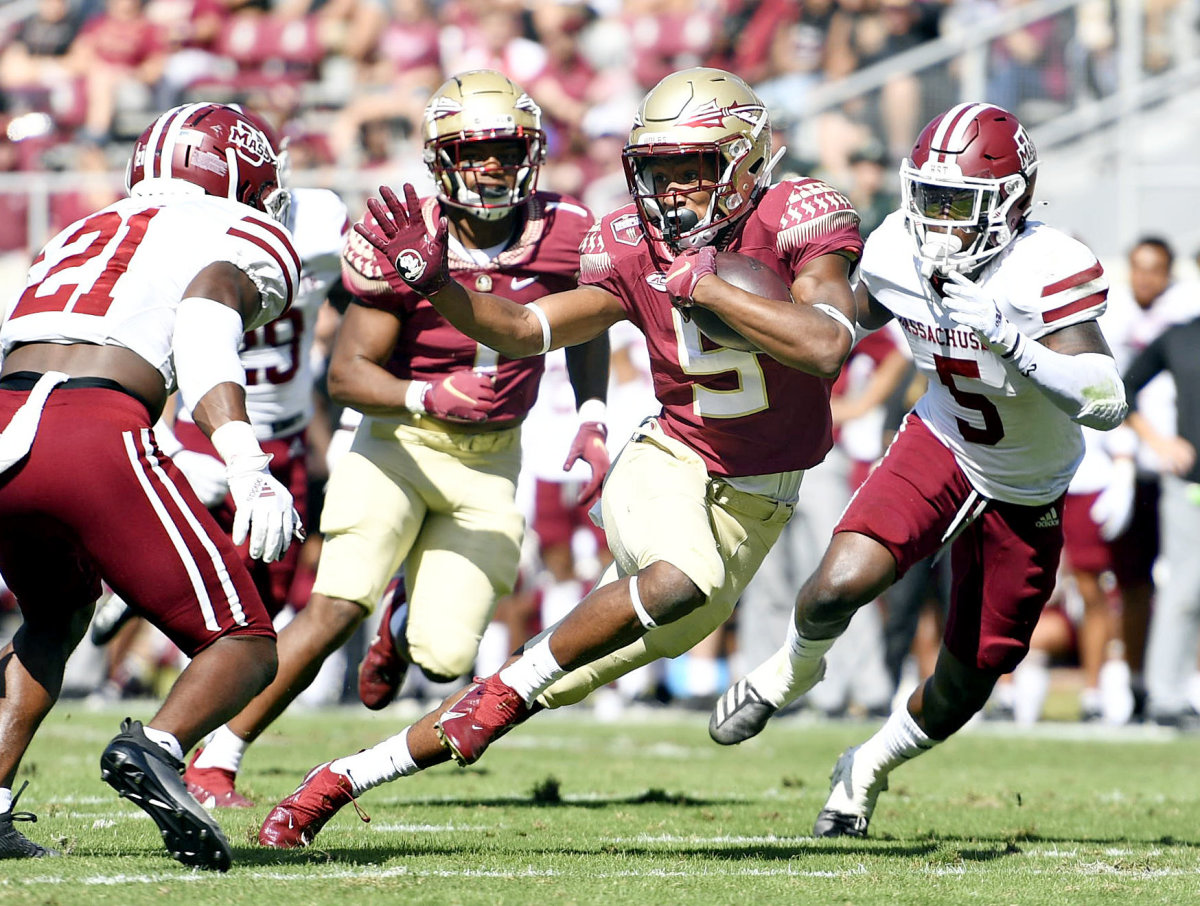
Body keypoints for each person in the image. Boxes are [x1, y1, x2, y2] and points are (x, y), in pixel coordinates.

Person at [255, 65, 865, 849]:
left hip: (758, 503)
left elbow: (825, 347)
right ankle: (486, 701)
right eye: (659, 172)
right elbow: (522, 330)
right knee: (681, 579)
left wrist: (710, 290)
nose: (674, 193)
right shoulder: (627, 243)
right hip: (670, 462)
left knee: (538, 682)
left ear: (747, 163)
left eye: (695, 170)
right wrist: (439, 284)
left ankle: (336, 780)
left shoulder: (799, 217)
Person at [181, 70, 612, 808]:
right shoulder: (405, 232)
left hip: (493, 459)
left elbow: (589, 320)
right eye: (474, 151)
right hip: (398, 441)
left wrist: (592, 410)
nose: (493, 167)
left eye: (508, 150)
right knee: (333, 605)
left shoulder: (568, 227)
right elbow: (346, 374)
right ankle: (217, 756)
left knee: (445, 659)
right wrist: (426, 391)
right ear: (440, 157)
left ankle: (404, 614)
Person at [708, 102, 1128, 837]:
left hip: (1028, 484)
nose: (937, 220)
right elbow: (847, 320)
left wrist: (1014, 342)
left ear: (1013, 201)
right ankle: (790, 671)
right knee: (840, 582)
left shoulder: (1047, 266)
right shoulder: (899, 244)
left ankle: (865, 766)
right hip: (942, 441)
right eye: (928, 198)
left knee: (967, 681)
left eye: (957, 204)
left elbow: (1107, 400)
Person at [0, 102, 301, 869]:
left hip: (7, 414)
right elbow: (203, 319)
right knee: (244, 642)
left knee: (57, 611)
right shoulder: (243, 228)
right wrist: (245, 461)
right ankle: (158, 747)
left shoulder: (84, 226)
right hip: (90, 426)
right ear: (241, 172)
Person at [1124, 313, 1200, 727]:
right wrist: (1158, 441)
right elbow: (1124, 387)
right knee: (1186, 591)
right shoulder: (1181, 336)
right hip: (1191, 486)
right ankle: (1165, 697)